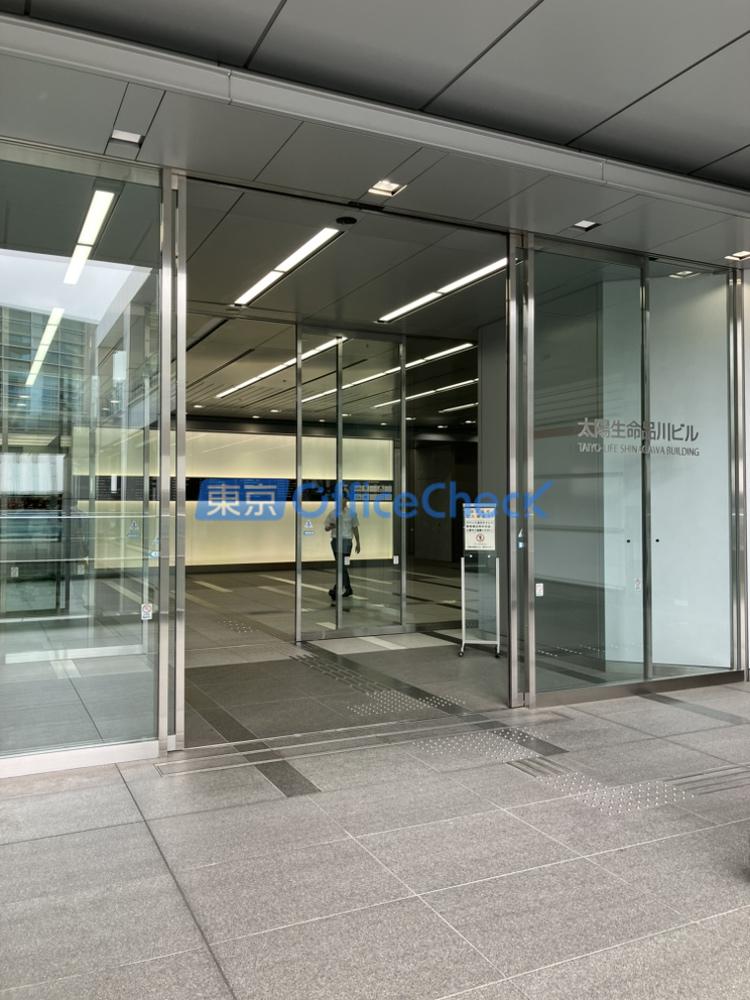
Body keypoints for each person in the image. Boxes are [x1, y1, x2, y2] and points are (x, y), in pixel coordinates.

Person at [324, 491, 360, 599]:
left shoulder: (352, 513)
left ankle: (337, 589)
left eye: (344, 498)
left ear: (346, 500)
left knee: (342, 566)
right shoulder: (332, 513)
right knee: (340, 566)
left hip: (347, 542)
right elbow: (326, 528)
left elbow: (355, 528)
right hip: (335, 541)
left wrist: (358, 543)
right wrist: (332, 526)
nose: (342, 501)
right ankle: (347, 588)